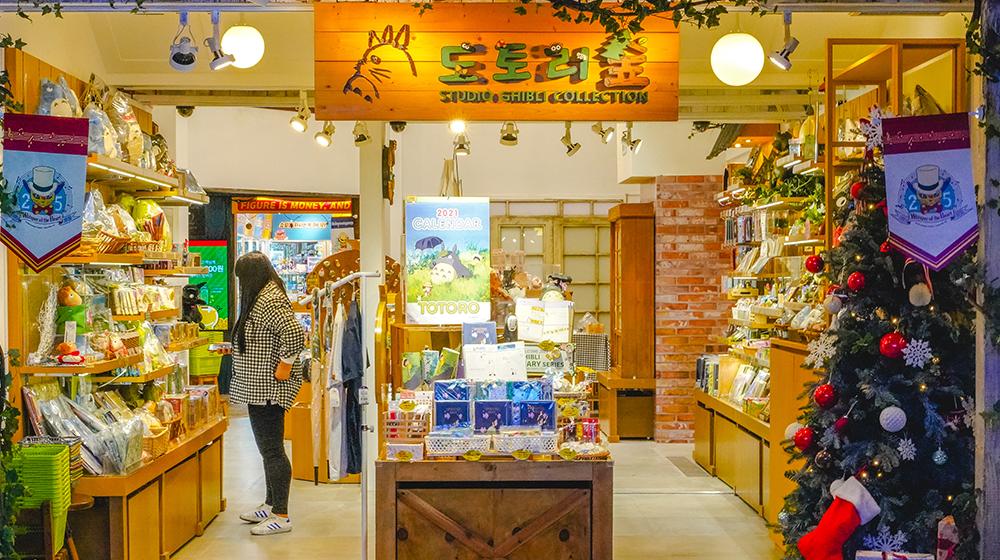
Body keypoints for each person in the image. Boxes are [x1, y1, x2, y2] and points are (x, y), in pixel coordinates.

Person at [215, 251, 305, 535]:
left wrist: (284, 366)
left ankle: (281, 514)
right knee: (268, 451)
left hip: (268, 388)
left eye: (241, 278)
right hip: (257, 387)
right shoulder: (264, 295)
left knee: (273, 451)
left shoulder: (269, 299)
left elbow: (294, 334)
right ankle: (270, 503)